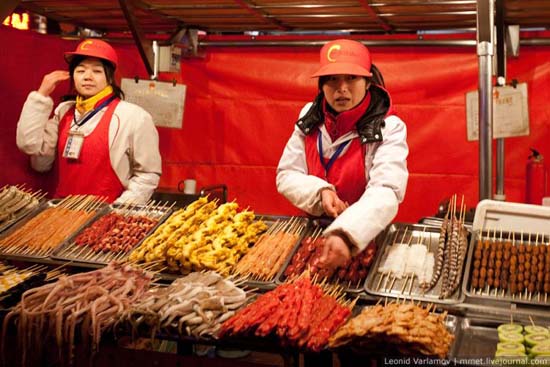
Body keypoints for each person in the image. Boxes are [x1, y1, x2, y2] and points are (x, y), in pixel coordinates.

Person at [277, 39, 409, 270]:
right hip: (312, 234)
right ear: (321, 84)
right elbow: (287, 174)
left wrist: (347, 233)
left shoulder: (388, 126)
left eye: (351, 78)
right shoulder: (309, 116)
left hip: (362, 239)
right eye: (332, 79)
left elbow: (387, 190)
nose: (342, 88)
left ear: (368, 82)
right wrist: (320, 192)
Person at [16, 39, 161, 204]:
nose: (88, 77)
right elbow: (36, 156)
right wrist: (40, 96)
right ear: (72, 75)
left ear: (110, 77)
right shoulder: (64, 111)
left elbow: (148, 174)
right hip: (62, 210)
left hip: (107, 213)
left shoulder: (133, 117)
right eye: (81, 70)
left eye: (97, 71)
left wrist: (119, 210)